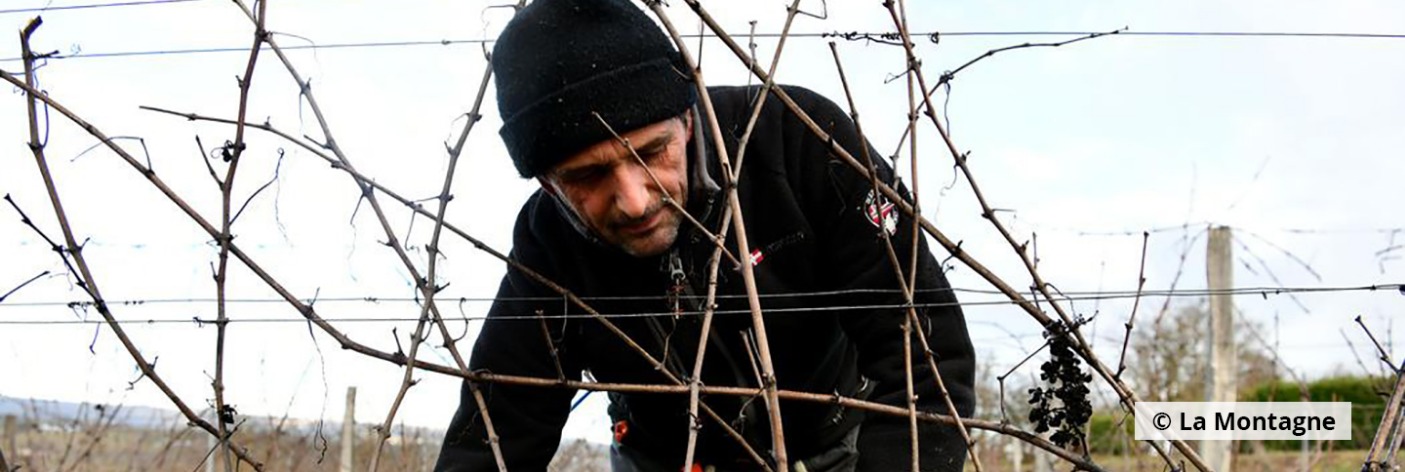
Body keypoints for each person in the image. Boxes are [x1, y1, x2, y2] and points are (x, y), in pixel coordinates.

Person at [435, 0, 975, 470]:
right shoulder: (548, 244)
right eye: (588, 177)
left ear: (688, 118)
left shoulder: (798, 138)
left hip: (840, 448)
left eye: (650, 153)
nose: (635, 200)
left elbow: (926, 358)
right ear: (549, 186)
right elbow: (496, 430)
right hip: (663, 459)